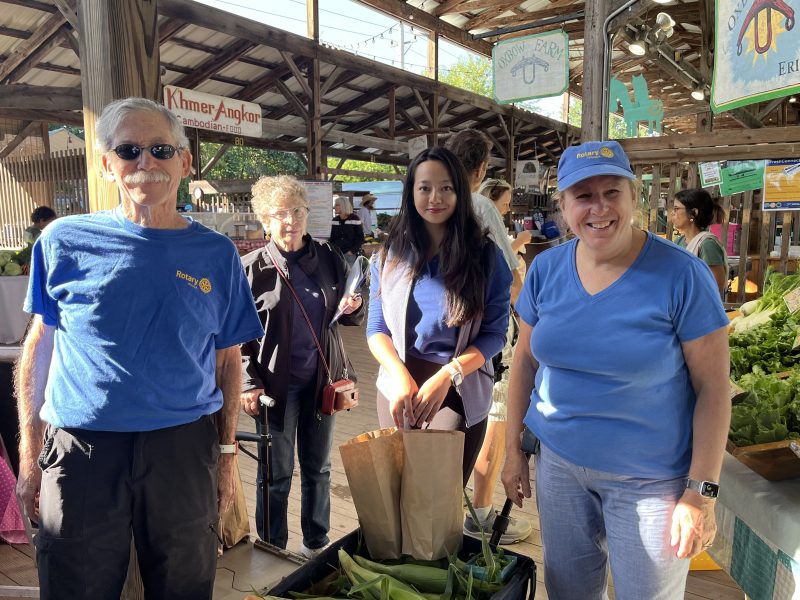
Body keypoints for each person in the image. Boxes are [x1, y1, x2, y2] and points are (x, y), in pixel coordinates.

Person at [15, 97, 264, 599]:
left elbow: (227, 359)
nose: (145, 162)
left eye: (160, 149)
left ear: (185, 162)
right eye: (128, 150)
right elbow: (39, 346)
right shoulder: (63, 240)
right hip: (81, 447)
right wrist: (27, 456)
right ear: (107, 164)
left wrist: (226, 455)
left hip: (182, 448)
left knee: (183, 588)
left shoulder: (216, 255)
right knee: (74, 588)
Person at [502, 141, 731, 600]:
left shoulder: (682, 274)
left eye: (612, 192)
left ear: (634, 199)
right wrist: (512, 449)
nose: (599, 208)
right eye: (583, 196)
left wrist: (700, 493)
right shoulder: (546, 270)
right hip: (560, 468)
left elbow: (714, 389)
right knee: (569, 594)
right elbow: (524, 362)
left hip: (652, 482)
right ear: (564, 206)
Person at [366, 146, 512, 484]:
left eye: (447, 187)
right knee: (394, 497)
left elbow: (494, 334)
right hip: (398, 386)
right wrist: (399, 376)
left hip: (457, 389)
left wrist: (449, 374)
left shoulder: (485, 256)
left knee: (437, 504)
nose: (436, 197)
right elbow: (376, 328)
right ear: (411, 192)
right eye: (425, 187)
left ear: (461, 192)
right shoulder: (389, 255)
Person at [240, 175, 364, 558]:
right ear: (265, 219)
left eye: (297, 211)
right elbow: (235, 336)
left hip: (321, 380)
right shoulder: (251, 268)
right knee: (275, 474)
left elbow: (345, 316)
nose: (290, 220)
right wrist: (247, 382)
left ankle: (316, 543)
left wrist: (353, 308)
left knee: (318, 468)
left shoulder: (329, 258)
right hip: (274, 389)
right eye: (280, 213)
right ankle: (272, 546)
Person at [446, 131, 530, 544]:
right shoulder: (478, 204)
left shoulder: (437, 207)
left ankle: (459, 513)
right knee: (494, 421)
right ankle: (479, 514)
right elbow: (511, 280)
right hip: (487, 340)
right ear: (481, 168)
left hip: (445, 346)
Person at [672, 188, 728, 297]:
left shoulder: (707, 244)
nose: (672, 213)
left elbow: (715, 287)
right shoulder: (679, 241)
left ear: (694, 213)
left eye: (676, 209)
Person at [330, 196, 364, 264]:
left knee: (351, 274)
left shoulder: (354, 218)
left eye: (337, 205)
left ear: (343, 205)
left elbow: (360, 237)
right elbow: (332, 238)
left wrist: (352, 251)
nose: (334, 206)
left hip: (350, 255)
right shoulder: (334, 220)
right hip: (337, 254)